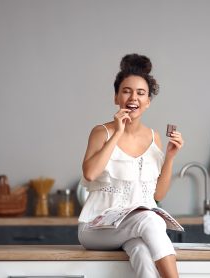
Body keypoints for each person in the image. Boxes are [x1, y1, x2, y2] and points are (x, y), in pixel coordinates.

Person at [78, 53, 184, 278]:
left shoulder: (155, 137)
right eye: (126, 91)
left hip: (136, 229)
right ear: (116, 97)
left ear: (147, 102)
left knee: (143, 253)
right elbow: (90, 174)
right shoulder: (101, 132)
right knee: (150, 219)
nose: (133, 97)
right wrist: (118, 132)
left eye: (140, 93)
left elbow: (158, 194)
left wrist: (171, 157)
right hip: (96, 229)